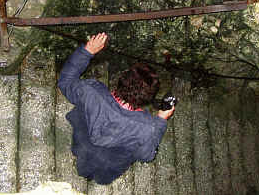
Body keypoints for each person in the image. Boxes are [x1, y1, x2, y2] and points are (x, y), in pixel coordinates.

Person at [58, 32, 175, 185]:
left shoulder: (91, 92)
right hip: (108, 170)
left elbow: (66, 81)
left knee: (87, 150)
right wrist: (161, 120)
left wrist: (87, 51)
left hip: (81, 146)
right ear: (148, 99)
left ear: (120, 81)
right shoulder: (147, 128)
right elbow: (146, 156)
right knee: (108, 169)